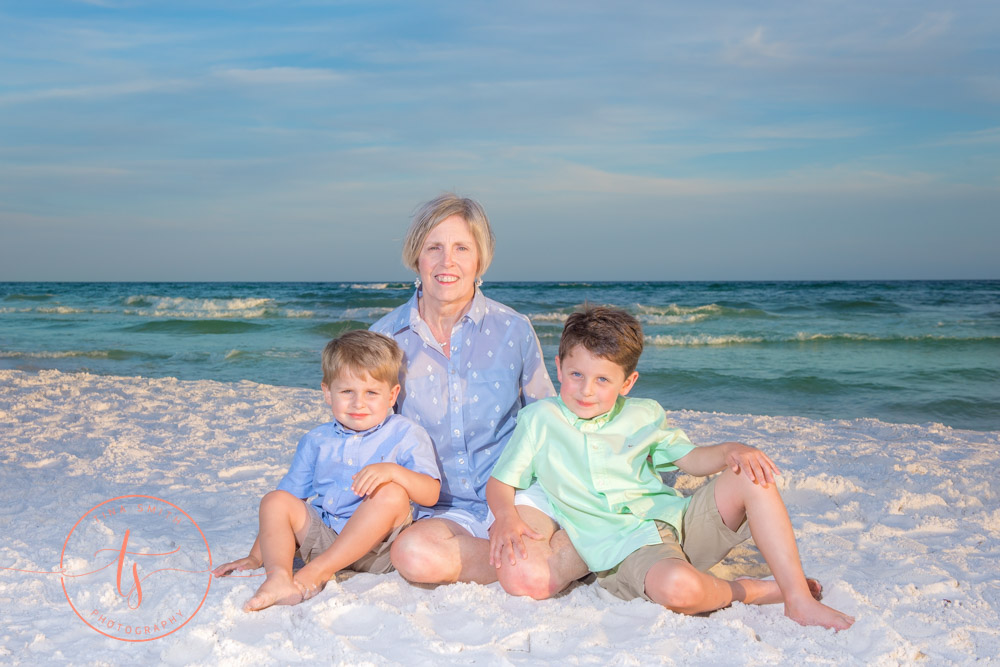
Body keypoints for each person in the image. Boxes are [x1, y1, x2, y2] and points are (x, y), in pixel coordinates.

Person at [487, 306, 855, 630]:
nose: (586, 390)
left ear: (627, 383)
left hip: (675, 523)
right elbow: (501, 481)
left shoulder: (643, 414)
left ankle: (797, 600)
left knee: (752, 473)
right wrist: (505, 516)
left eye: (602, 380)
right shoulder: (540, 420)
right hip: (625, 548)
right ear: (559, 367)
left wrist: (731, 450)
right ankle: (752, 589)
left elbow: (691, 460)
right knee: (679, 587)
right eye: (576, 375)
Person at [371, 193, 585, 590]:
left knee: (529, 577)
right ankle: (518, 561)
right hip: (438, 509)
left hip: (516, 493)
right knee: (411, 555)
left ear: (479, 260)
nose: (446, 262)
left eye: (461, 248)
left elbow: (547, 417)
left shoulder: (514, 329)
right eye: (433, 247)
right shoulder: (383, 338)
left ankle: (575, 546)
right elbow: (365, 430)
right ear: (416, 257)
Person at [212, 330, 441, 611]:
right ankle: (279, 578)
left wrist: (394, 472)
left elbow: (430, 494)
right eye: (347, 392)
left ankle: (316, 573)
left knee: (392, 493)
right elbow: (284, 506)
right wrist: (254, 557)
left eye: (371, 392)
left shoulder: (405, 433)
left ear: (392, 395)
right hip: (324, 542)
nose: (358, 403)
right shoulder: (316, 441)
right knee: (274, 499)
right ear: (327, 393)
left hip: (381, 550)